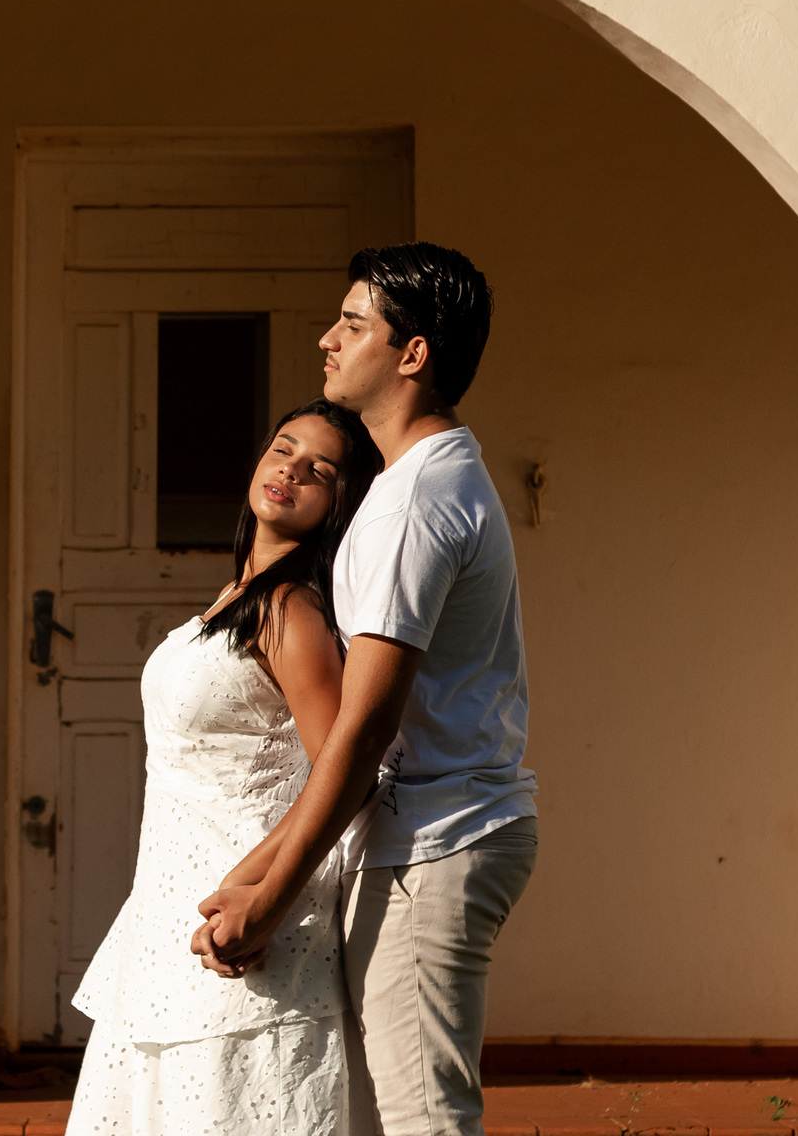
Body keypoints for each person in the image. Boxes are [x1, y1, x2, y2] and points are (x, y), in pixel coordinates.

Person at [193, 242, 538, 1136]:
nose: (326, 340)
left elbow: (364, 729)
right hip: (435, 831)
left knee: (419, 1120)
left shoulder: (414, 501)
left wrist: (266, 903)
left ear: (412, 353)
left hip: (437, 836)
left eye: (353, 324)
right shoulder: (429, 479)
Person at [64, 397, 381, 1136]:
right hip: (169, 912)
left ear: (339, 504)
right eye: (283, 449)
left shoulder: (292, 613)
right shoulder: (236, 600)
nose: (291, 470)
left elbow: (346, 772)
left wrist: (255, 887)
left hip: (247, 921)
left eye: (320, 470)